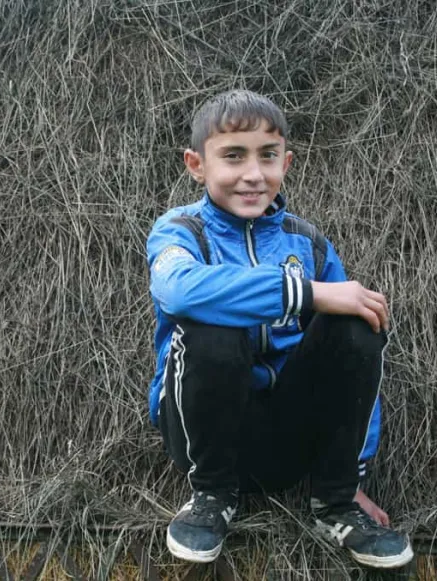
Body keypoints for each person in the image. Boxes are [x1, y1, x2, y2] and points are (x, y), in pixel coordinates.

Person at [145, 90, 413, 569]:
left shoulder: (306, 241)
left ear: (285, 163)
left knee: (356, 324)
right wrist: (305, 293)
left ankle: (335, 501)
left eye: (267, 156)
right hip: (203, 435)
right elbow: (178, 290)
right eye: (233, 156)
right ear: (196, 165)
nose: (253, 174)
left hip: (291, 439)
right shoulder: (181, 230)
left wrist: (354, 474)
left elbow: (354, 362)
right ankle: (211, 496)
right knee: (213, 325)